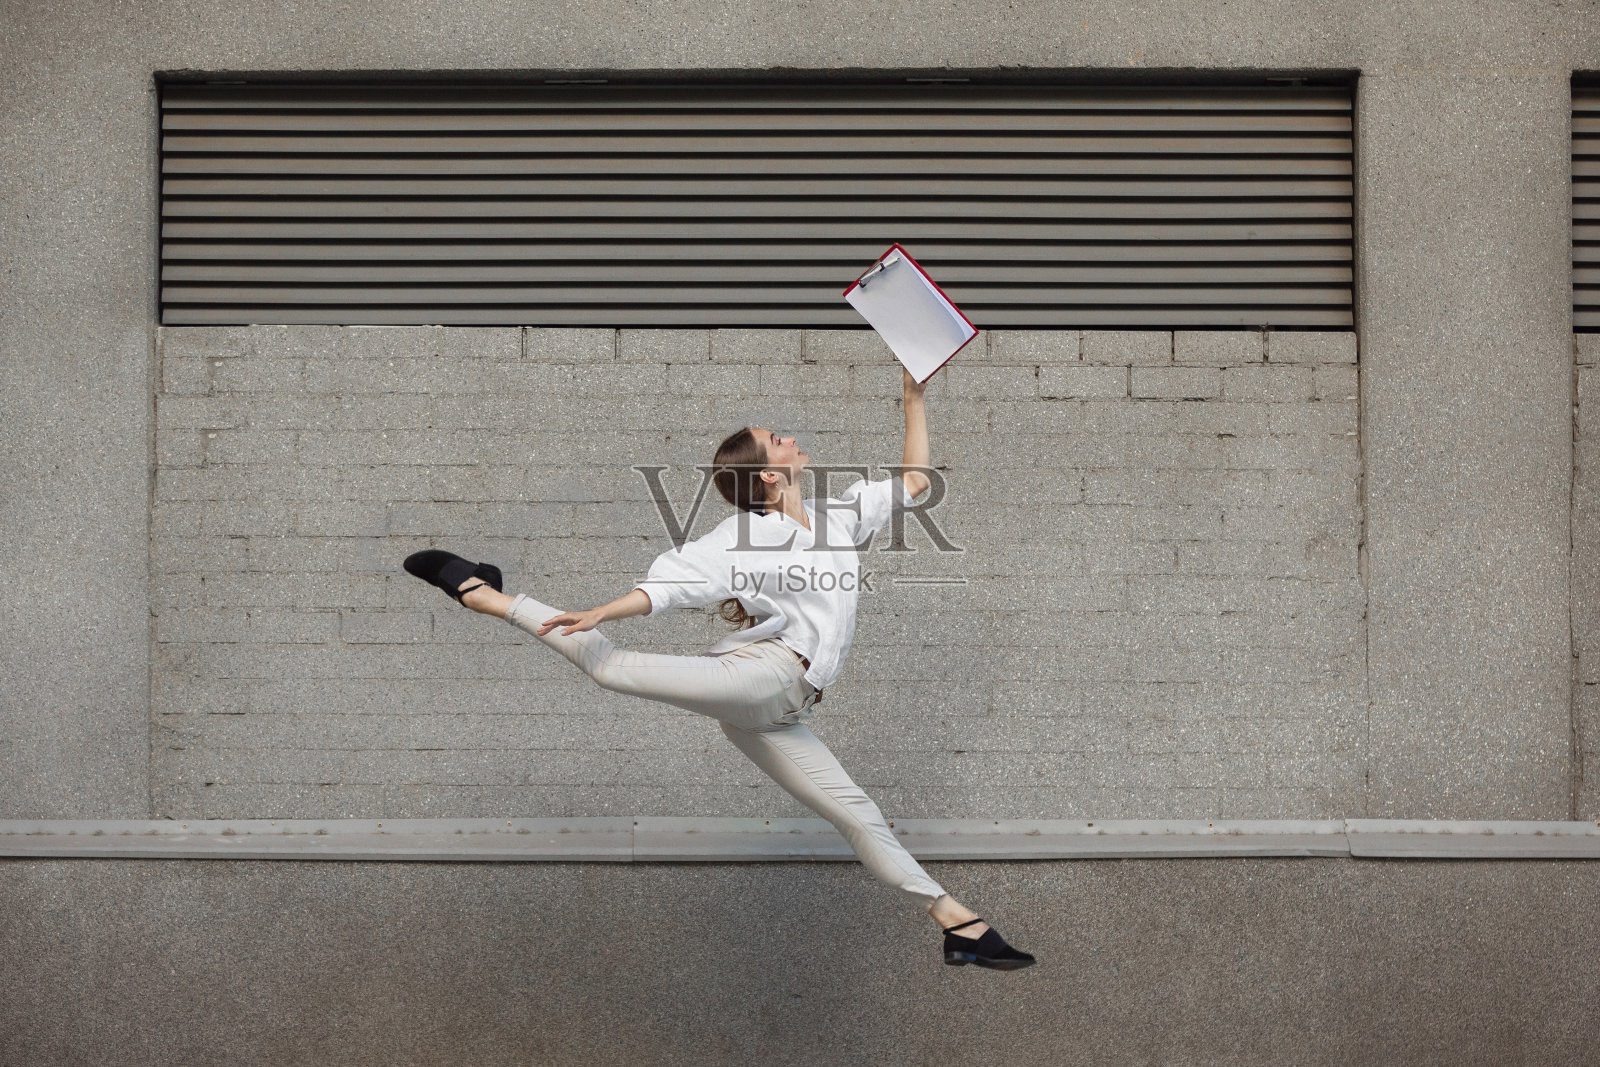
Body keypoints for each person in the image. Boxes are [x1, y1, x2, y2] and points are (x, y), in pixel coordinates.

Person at [404, 366, 1034, 971]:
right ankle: (483, 595)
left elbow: (915, 483)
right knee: (610, 667)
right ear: (766, 474)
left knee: (856, 814)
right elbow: (672, 587)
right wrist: (603, 610)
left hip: (781, 710)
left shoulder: (839, 519)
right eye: (776, 439)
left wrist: (913, 396)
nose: (789, 437)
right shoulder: (740, 536)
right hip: (763, 675)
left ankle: (959, 926)